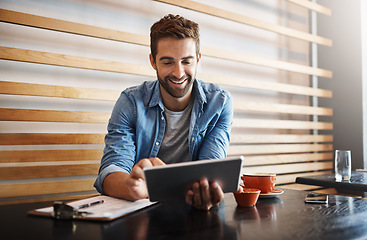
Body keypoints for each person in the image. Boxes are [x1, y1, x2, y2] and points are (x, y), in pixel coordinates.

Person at [94, 14, 233, 211]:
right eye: (167, 62)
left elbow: (210, 169)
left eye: (187, 61)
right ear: (153, 61)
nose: (178, 73)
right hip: (144, 212)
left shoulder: (219, 103)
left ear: (198, 59)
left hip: (194, 211)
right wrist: (131, 187)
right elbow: (111, 170)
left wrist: (208, 190)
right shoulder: (130, 102)